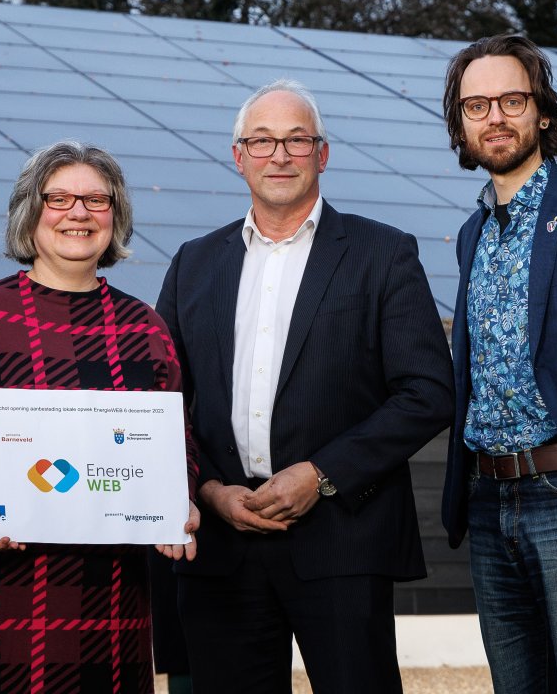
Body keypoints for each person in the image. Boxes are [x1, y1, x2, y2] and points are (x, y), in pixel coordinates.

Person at [156, 78, 454, 694]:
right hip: (222, 543)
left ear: (323, 153)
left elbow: (428, 391)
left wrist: (319, 474)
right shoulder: (193, 263)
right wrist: (209, 490)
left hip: (343, 540)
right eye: (262, 141)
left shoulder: (384, 254)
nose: (280, 155)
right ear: (238, 156)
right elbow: (163, 402)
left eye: (297, 139)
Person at [0, 140, 199, 694]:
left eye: (96, 199)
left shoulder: (145, 329)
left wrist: (178, 499)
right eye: (58, 198)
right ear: (29, 212)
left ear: (117, 215)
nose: (79, 213)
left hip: (111, 592)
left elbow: (178, 448)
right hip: (0, 580)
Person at [441, 34, 557, 693]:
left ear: (542, 111)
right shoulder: (472, 235)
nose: (495, 117)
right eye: (476, 105)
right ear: (459, 124)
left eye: (512, 99)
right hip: (490, 503)